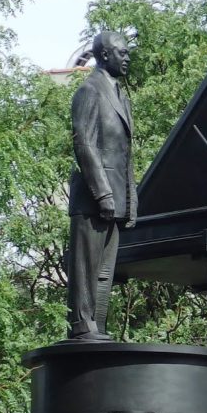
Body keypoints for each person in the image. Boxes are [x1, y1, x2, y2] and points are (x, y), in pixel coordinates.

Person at [66, 31, 138, 341]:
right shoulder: (89, 91)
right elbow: (85, 145)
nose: (127, 57)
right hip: (94, 200)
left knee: (105, 271)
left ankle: (97, 325)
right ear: (105, 55)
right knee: (86, 269)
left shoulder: (121, 95)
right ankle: (82, 326)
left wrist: (130, 200)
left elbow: (125, 156)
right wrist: (104, 193)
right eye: (122, 52)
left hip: (117, 199)